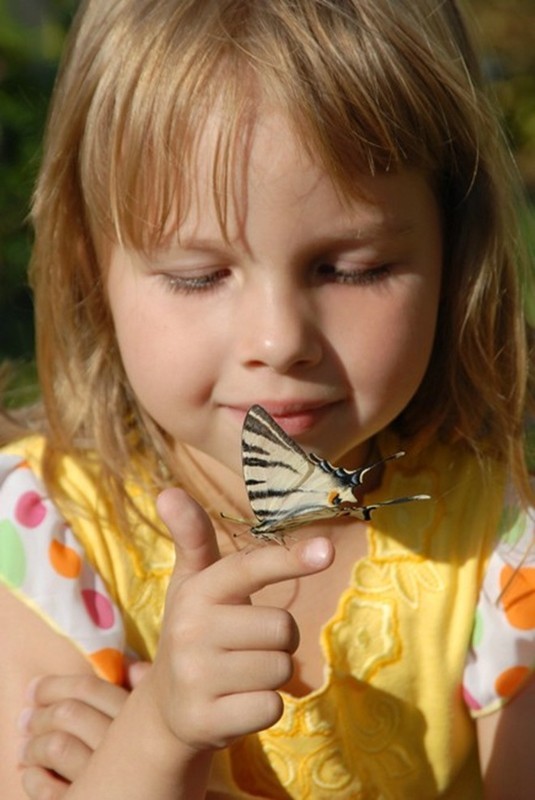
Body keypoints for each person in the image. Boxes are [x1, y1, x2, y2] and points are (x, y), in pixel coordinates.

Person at [1, 0, 534, 797]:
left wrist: (128, 759)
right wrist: (162, 733)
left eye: (350, 268)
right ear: (90, 270)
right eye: (198, 275)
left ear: (453, 247)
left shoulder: (498, 546)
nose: (280, 339)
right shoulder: (46, 541)